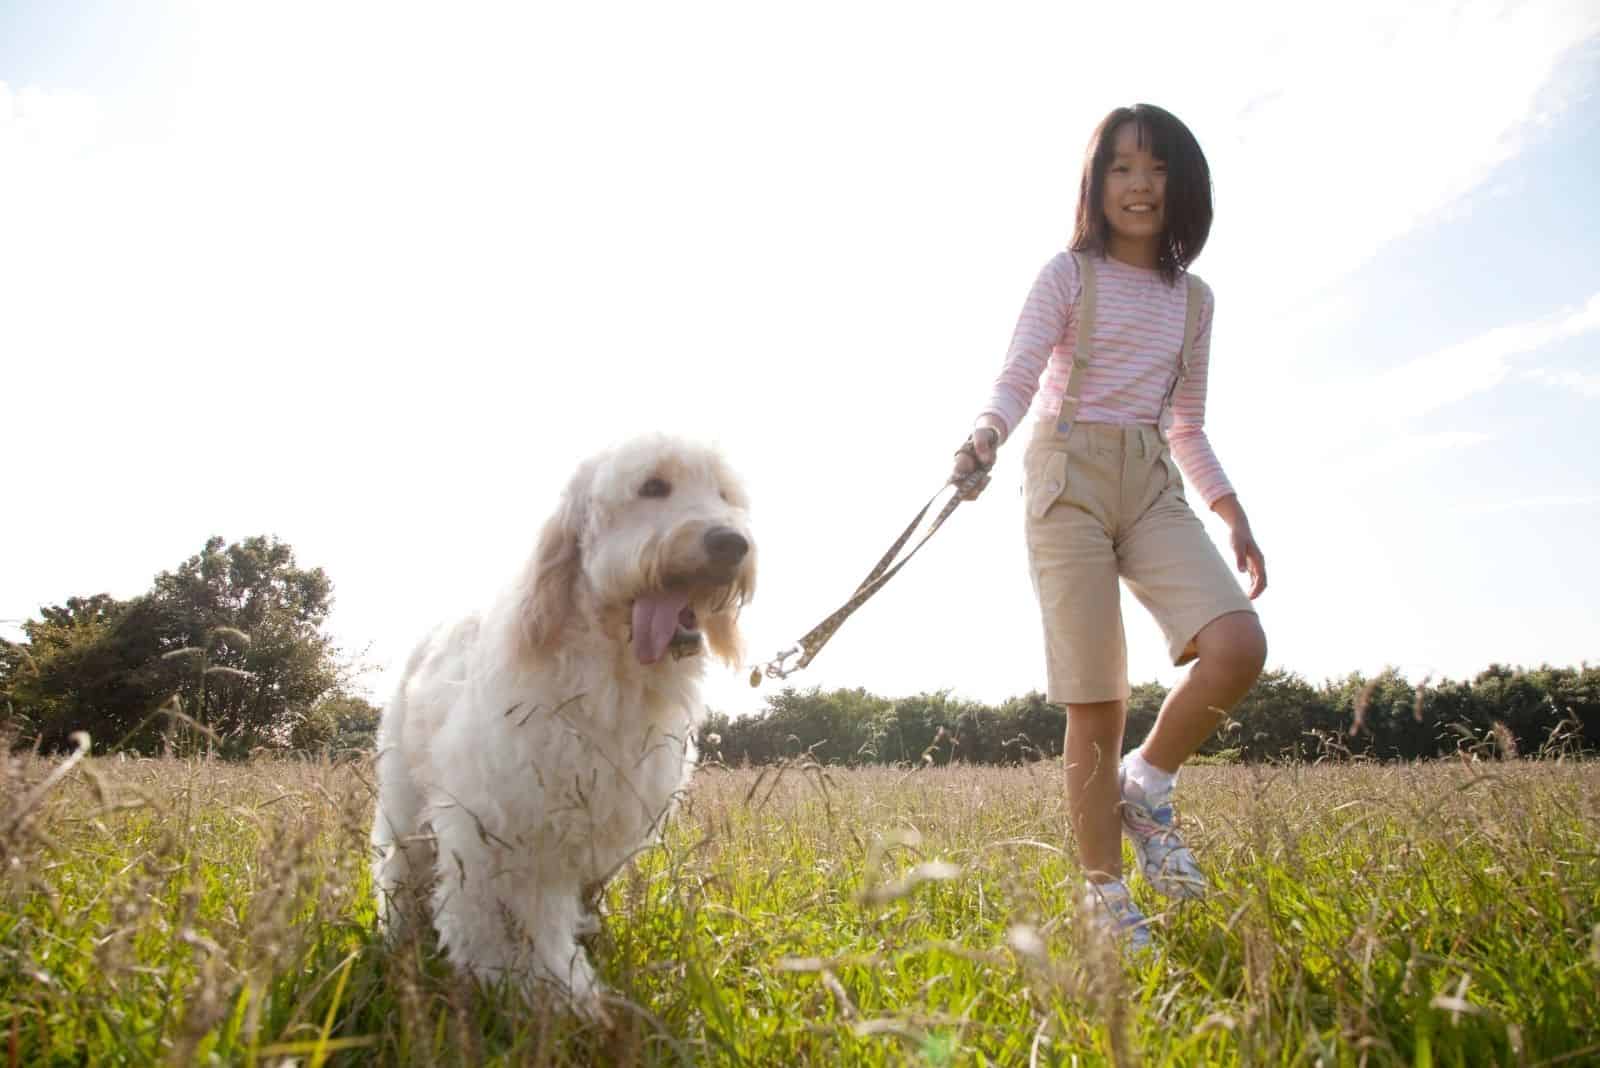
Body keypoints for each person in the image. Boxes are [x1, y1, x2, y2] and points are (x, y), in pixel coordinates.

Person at [951, 103, 1267, 954]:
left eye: (1157, 168)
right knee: (1098, 696)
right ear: (1096, 184)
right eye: (1122, 168)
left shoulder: (1195, 302)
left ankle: (1149, 784)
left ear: (1183, 185)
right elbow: (1017, 377)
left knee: (1237, 642)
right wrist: (985, 435)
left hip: (1152, 481)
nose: (1139, 185)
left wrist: (1231, 511)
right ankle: (1104, 893)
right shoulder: (1067, 276)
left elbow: (1187, 424)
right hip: (1066, 476)